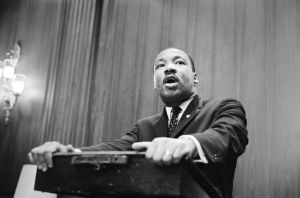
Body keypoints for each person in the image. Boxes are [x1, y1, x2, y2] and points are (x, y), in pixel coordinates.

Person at [28, 48, 248, 198]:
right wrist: (69, 152)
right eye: (160, 66)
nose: (169, 68)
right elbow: (114, 147)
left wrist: (187, 144)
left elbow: (228, 135)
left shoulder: (223, 107)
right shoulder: (144, 127)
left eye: (179, 63)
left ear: (195, 77)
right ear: (155, 83)